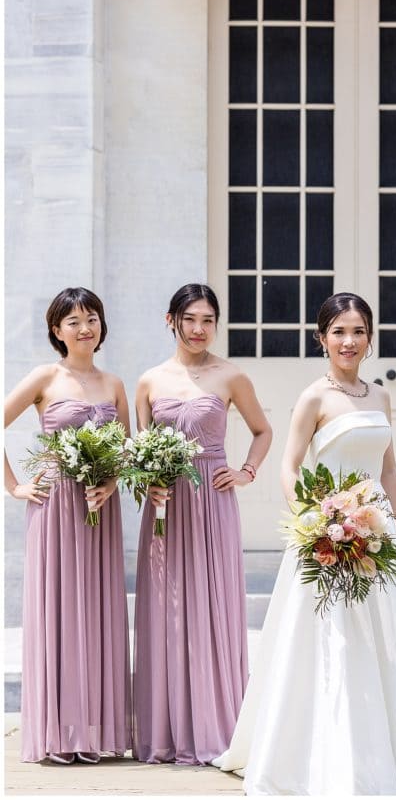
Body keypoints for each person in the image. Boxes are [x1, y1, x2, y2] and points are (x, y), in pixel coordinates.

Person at [214, 293, 396, 795]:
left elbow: (389, 470)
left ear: (370, 338)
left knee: (387, 642)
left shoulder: (379, 396)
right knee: (328, 643)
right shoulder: (314, 397)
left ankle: (394, 754)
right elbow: (289, 467)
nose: (349, 341)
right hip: (327, 535)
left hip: (375, 536)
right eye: (338, 331)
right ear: (322, 338)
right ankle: (323, 756)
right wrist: (314, 521)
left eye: (358, 331)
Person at [133, 284, 272, 764]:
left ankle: (215, 725)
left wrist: (246, 471)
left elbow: (262, 430)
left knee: (213, 607)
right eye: (190, 319)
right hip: (167, 507)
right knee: (166, 610)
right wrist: (147, 484)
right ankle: (167, 730)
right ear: (170, 319)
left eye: (208, 320)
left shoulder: (231, 376)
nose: (199, 329)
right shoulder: (149, 381)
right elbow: (141, 452)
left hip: (213, 502)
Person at [4, 288, 131, 763]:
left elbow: (125, 450)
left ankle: (94, 733)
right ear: (56, 330)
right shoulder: (44, 377)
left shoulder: (114, 383)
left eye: (92, 317)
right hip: (55, 506)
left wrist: (112, 483)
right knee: (58, 611)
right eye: (73, 320)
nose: (85, 327)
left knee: (97, 612)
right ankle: (57, 734)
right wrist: (14, 486)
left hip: (100, 510)